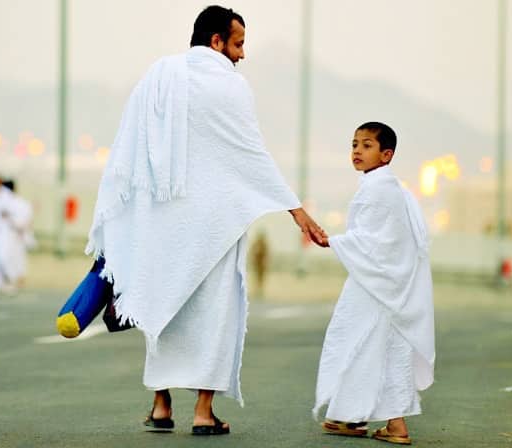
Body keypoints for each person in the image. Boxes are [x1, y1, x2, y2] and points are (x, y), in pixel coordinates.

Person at [85, 5, 326, 435]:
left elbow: (130, 148)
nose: (242, 55)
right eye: (238, 44)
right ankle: (202, 412)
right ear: (216, 41)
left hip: (161, 221)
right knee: (214, 314)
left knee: (162, 307)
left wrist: (131, 216)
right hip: (214, 223)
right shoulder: (229, 86)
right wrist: (296, 209)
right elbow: (250, 154)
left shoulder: (157, 76)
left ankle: (160, 407)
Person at [313, 122, 435, 445]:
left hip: (376, 284)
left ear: (386, 155)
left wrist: (334, 243)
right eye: (354, 144)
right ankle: (352, 417)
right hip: (386, 283)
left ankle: (395, 425)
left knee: (362, 342)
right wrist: (342, 243)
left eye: (366, 145)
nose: (356, 150)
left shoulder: (378, 189)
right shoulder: (388, 187)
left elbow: (374, 243)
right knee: (371, 345)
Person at [1, 179, 35, 287]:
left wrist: (20, 227)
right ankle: (14, 279)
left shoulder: (17, 203)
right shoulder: (21, 202)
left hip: (15, 234)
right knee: (14, 257)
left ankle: (16, 280)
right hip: (13, 233)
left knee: (15, 257)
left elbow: (27, 219)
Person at [249, 231, 269, 298]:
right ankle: (256, 290)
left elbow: (266, 254)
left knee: (261, 277)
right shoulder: (256, 244)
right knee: (256, 277)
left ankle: (260, 290)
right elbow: (252, 252)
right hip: (256, 263)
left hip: (261, 264)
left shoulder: (263, 244)